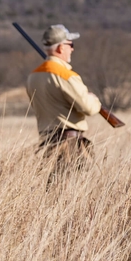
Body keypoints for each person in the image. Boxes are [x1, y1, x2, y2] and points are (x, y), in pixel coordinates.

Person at [26, 24, 101, 170]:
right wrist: (93, 99)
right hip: (70, 145)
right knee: (72, 190)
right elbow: (89, 108)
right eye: (70, 44)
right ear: (61, 48)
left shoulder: (33, 76)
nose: (72, 48)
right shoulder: (66, 75)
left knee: (53, 189)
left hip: (47, 144)